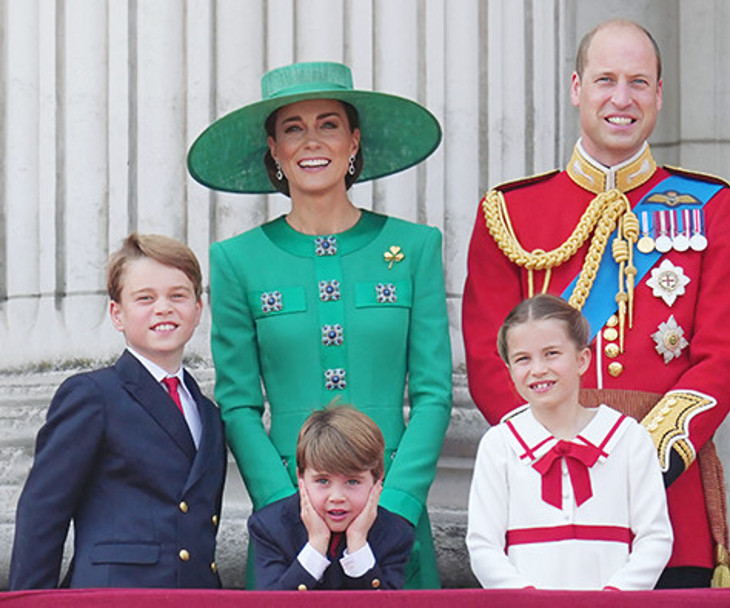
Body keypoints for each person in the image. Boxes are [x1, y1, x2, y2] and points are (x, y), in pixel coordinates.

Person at [462, 19, 730, 588]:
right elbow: (488, 358)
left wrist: (632, 461)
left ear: (659, 95)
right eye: (605, 80)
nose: (622, 99)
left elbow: (722, 359)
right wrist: (554, 454)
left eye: (639, 82)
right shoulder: (509, 213)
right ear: (576, 88)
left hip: (668, 495)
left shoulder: (715, 207)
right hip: (542, 497)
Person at [187, 61, 452, 588]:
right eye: (293, 128)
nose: (313, 140)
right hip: (289, 515)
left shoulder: (416, 247)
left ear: (354, 141)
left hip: (391, 506)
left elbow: (433, 393)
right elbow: (238, 402)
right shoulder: (237, 259)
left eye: (328, 124)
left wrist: (396, 502)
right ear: (275, 150)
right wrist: (285, 505)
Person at [9, 234, 227, 589]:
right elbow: (43, 512)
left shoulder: (209, 413)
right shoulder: (93, 395)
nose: (163, 308)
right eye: (145, 298)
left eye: (178, 295)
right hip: (112, 593)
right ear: (117, 314)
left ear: (198, 309)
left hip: (194, 594)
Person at [466, 294, 672, 589]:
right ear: (510, 369)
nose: (538, 369)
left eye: (551, 353)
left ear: (582, 359)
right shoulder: (500, 444)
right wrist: (525, 598)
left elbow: (655, 538)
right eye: (522, 359)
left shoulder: (629, 438)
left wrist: (616, 596)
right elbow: (483, 546)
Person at [249, 405, 414, 590]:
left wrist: (358, 543)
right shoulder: (270, 527)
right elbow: (272, 603)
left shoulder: (395, 533)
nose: (337, 497)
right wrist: (316, 544)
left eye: (352, 482)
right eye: (322, 481)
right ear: (301, 478)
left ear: (377, 480)